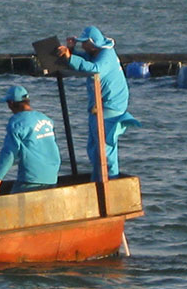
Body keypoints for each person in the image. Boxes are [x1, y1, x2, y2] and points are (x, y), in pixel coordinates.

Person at [56, 26, 141, 179]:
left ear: (93, 43)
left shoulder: (106, 55)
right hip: (100, 107)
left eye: (84, 43)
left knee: (104, 148)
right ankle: (97, 179)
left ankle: (111, 181)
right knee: (94, 148)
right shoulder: (97, 53)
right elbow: (86, 59)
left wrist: (70, 58)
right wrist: (71, 51)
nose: (82, 46)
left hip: (110, 108)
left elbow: (94, 68)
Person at [0, 86, 62, 194]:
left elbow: (9, 153)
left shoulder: (17, 123)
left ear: (11, 103)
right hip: (52, 176)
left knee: (11, 207)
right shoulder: (46, 119)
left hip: (31, 179)